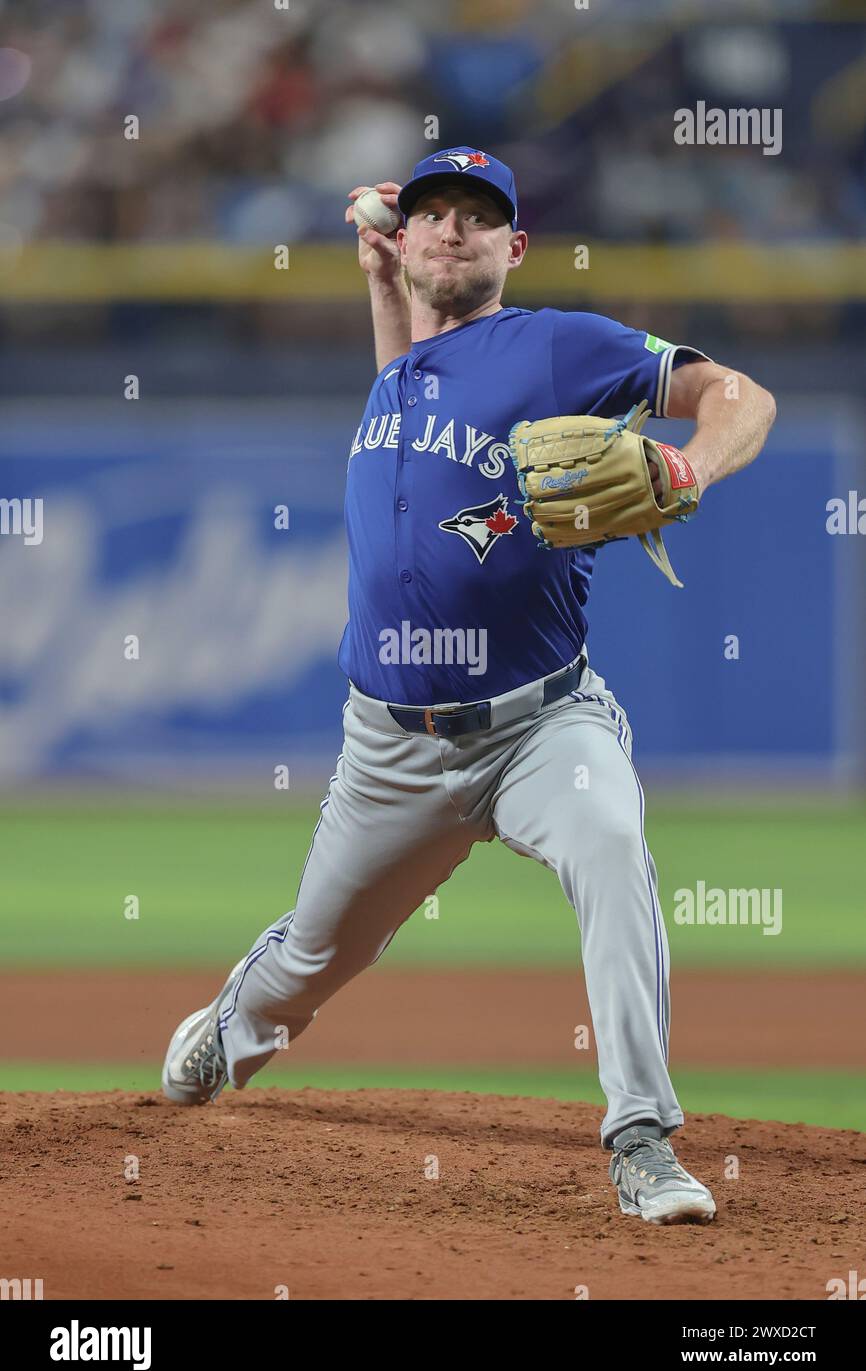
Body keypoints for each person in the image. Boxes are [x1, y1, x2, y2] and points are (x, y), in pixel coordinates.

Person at [162, 148, 776, 1225]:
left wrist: (685, 465)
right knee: (313, 956)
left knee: (610, 844)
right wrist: (377, 275)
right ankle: (235, 1026)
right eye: (432, 214)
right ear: (408, 246)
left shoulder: (553, 343)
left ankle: (640, 1136)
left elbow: (739, 393)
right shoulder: (401, 369)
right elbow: (415, 365)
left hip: (542, 726)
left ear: (513, 248)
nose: (453, 229)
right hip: (390, 749)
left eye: (477, 218)